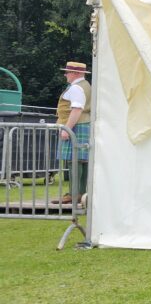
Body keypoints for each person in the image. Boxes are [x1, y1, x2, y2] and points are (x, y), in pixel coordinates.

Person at [54, 61, 91, 205]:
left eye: (67, 72)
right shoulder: (86, 85)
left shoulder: (76, 88)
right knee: (81, 161)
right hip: (83, 125)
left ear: (75, 73)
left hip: (76, 125)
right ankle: (79, 193)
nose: (65, 74)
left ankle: (74, 194)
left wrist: (67, 129)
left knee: (74, 161)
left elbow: (77, 109)